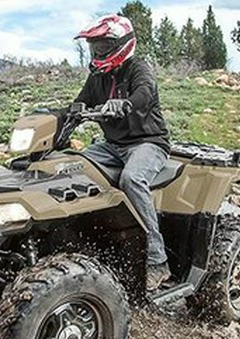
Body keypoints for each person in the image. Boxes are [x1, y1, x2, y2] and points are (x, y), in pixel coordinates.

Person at [74, 14, 172, 291]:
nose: (98, 52)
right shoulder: (97, 77)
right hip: (112, 146)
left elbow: (145, 94)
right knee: (71, 167)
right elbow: (80, 101)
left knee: (131, 179)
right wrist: (66, 112)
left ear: (122, 45)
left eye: (104, 46)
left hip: (148, 143)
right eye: (95, 47)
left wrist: (125, 104)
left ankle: (157, 260)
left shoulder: (139, 69)